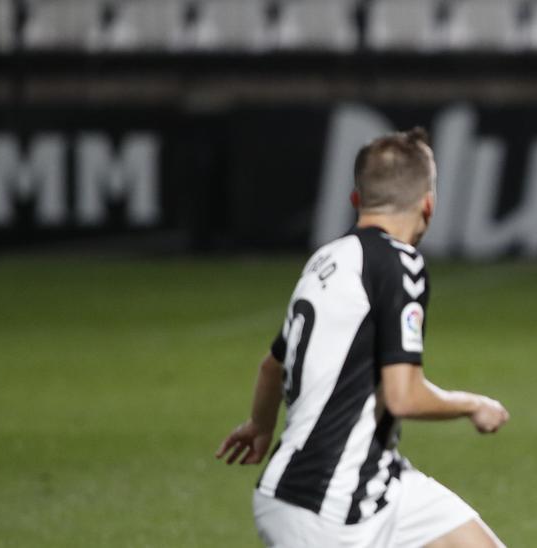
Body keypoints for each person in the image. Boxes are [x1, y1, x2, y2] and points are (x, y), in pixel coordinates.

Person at [216, 128, 510, 548]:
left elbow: (271, 365)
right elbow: (402, 397)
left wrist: (260, 426)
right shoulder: (399, 264)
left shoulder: (326, 259)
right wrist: (473, 404)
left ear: (356, 199)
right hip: (326, 507)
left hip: (372, 482)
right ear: (428, 202)